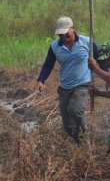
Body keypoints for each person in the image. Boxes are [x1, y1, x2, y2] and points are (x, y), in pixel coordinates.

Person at [36, 16, 99, 144]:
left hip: (83, 84)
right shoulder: (54, 46)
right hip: (64, 87)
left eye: (66, 32)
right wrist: (41, 80)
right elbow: (48, 64)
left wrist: (109, 74)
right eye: (60, 34)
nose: (63, 36)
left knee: (75, 110)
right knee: (68, 125)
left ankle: (86, 132)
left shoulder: (87, 42)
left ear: (73, 28)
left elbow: (101, 59)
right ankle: (78, 145)